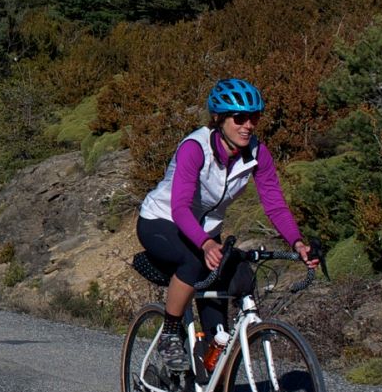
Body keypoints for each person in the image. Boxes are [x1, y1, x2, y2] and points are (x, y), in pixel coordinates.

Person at [135, 78, 320, 375]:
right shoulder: (195, 148)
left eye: (254, 117)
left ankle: (211, 383)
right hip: (162, 220)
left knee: (232, 289)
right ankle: (170, 333)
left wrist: (297, 243)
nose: (248, 125)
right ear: (219, 119)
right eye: (240, 118)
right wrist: (206, 244)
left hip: (206, 230)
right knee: (192, 259)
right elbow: (180, 208)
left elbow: (274, 204)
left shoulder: (257, 153)